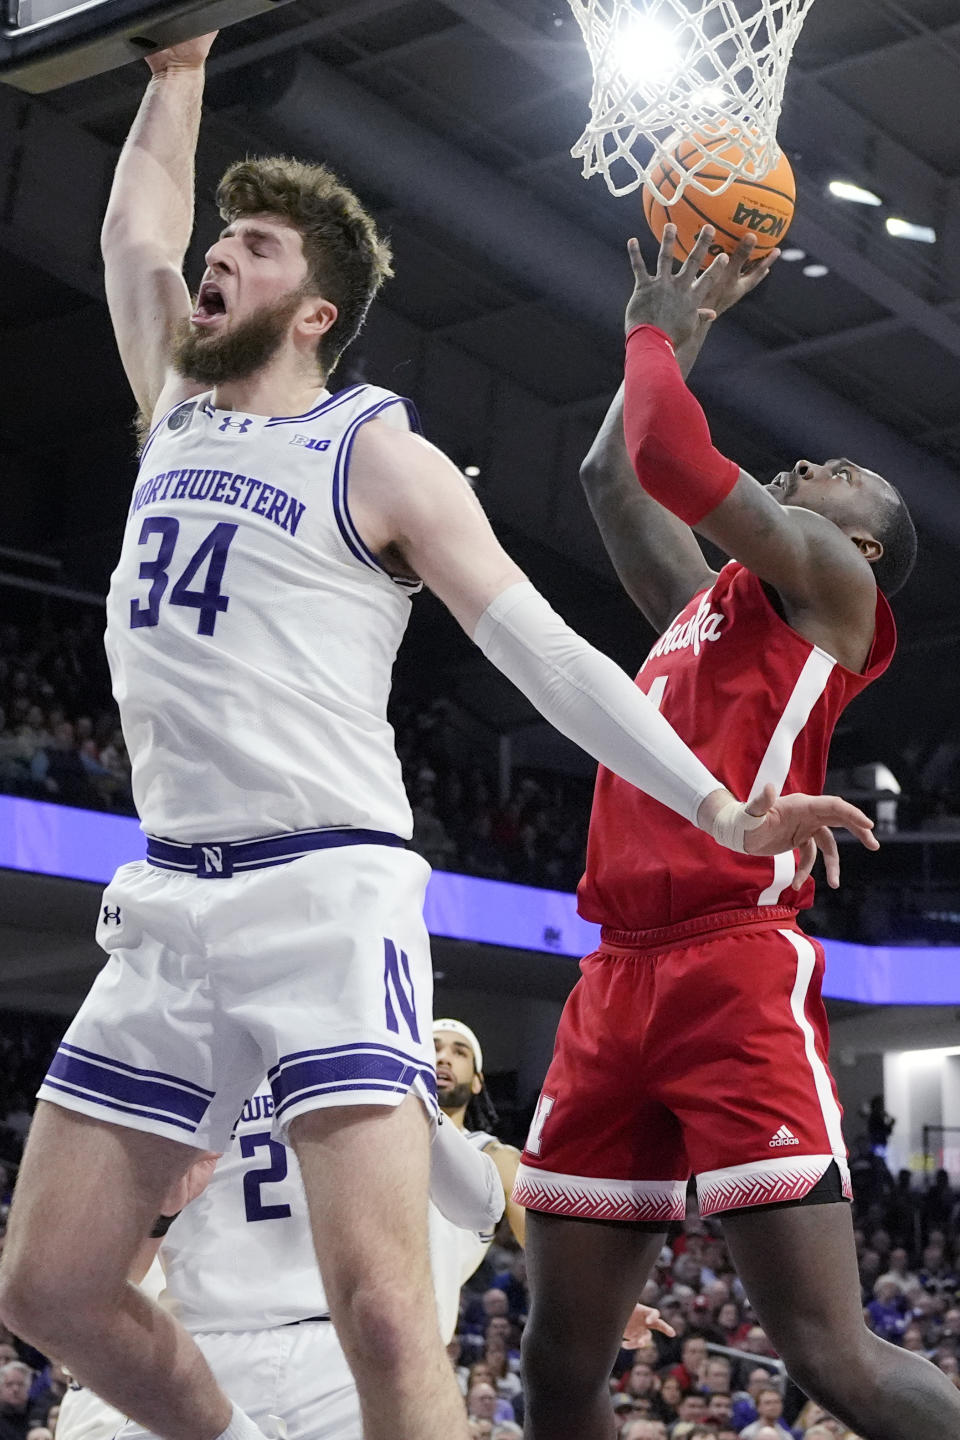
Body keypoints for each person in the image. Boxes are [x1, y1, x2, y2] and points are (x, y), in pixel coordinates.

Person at [0, 27, 876, 1440]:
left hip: (321, 894)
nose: (218, 252)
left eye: (259, 244)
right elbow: (134, 233)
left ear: (315, 311)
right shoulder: (173, 406)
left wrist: (718, 809)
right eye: (225, 234)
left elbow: (538, 646)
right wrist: (179, 69)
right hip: (169, 896)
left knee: (390, 1315)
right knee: (48, 1285)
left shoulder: (373, 449)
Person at [515, 223, 960, 1440]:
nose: (812, 459)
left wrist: (655, 331)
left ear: (859, 543)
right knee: (556, 1375)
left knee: (827, 1356)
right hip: (614, 979)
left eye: (839, 472)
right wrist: (675, 341)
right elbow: (617, 474)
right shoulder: (703, 609)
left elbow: (668, 447)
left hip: (732, 965)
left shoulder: (835, 596)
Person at [58, 1076, 505, 1440]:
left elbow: (482, 1208)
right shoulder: (372, 1062)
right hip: (250, 1351)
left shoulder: (183, 1071)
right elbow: (485, 1207)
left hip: (304, 1350)